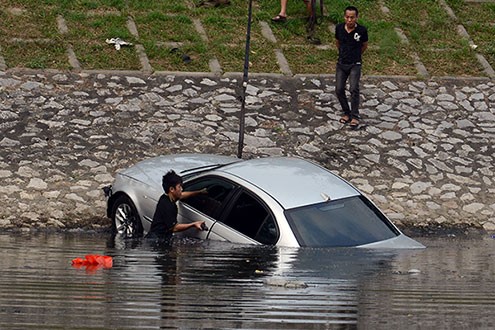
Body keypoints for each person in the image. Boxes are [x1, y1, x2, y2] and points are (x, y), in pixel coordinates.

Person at [145, 170, 206, 240]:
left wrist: (199, 192)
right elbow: (175, 228)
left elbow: (182, 195)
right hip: (157, 239)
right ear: (171, 189)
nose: (182, 189)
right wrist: (193, 224)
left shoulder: (166, 197)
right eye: (179, 187)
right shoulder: (168, 206)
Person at [335, 6, 368, 128]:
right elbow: (337, 42)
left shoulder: (361, 31)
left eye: (352, 17)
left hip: (355, 64)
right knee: (339, 89)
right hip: (342, 63)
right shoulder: (339, 28)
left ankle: (355, 115)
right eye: (347, 17)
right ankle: (346, 112)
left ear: (356, 18)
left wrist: (356, 55)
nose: (349, 20)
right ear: (344, 17)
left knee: (354, 89)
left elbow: (364, 45)